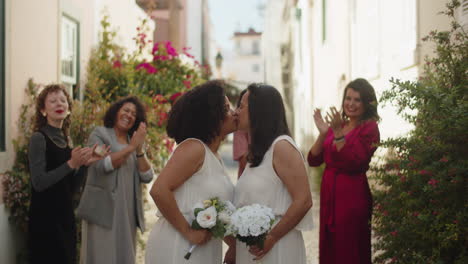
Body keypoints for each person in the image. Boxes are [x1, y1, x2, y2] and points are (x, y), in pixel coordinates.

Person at [145, 80, 237, 264]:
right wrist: (188, 232)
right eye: (227, 108)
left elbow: (216, 213)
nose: (234, 113)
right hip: (179, 244)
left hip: (202, 247)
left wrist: (233, 246)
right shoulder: (193, 148)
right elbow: (159, 190)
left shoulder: (214, 156)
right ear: (212, 116)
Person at [234, 83, 313, 264]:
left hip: (277, 246)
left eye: (242, 106)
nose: (236, 112)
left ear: (258, 111)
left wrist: (272, 237)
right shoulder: (258, 151)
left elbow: (303, 200)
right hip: (255, 246)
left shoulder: (282, 146)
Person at [307, 78, 380, 264]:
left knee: (350, 248)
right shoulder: (338, 126)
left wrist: (337, 132)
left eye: (357, 100)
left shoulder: (370, 128)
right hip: (329, 193)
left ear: (366, 104)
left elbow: (355, 160)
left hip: (352, 195)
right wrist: (324, 133)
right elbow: (313, 159)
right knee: (329, 246)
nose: (351, 104)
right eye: (348, 98)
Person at [28, 84, 100, 264]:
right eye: (52, 101)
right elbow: (39, 182)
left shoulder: (66, 139)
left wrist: (84, 166)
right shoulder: (39, 138)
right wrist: (71, 164)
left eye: (62, 100)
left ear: (68, 109)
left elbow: (71, 189)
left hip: (65, 217)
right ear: (43, 110)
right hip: (45, 220)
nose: (59, 104)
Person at [77, 96, 154, 264]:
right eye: (126, 110)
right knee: (102, 256)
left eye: (134, 114)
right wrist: (132, 148)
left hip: (126, 212)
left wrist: (139, 150)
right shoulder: (100, 134)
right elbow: (102, 165)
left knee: (123, 256)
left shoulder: (132, 141)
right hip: (102, 210)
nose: (129, 115)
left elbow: (147, 176)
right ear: (116, 111)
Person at [232, 89, 249, 178]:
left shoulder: (281, 144)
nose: (235, 112)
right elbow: (244, 163)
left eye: (241, 107)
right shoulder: (240, 128)